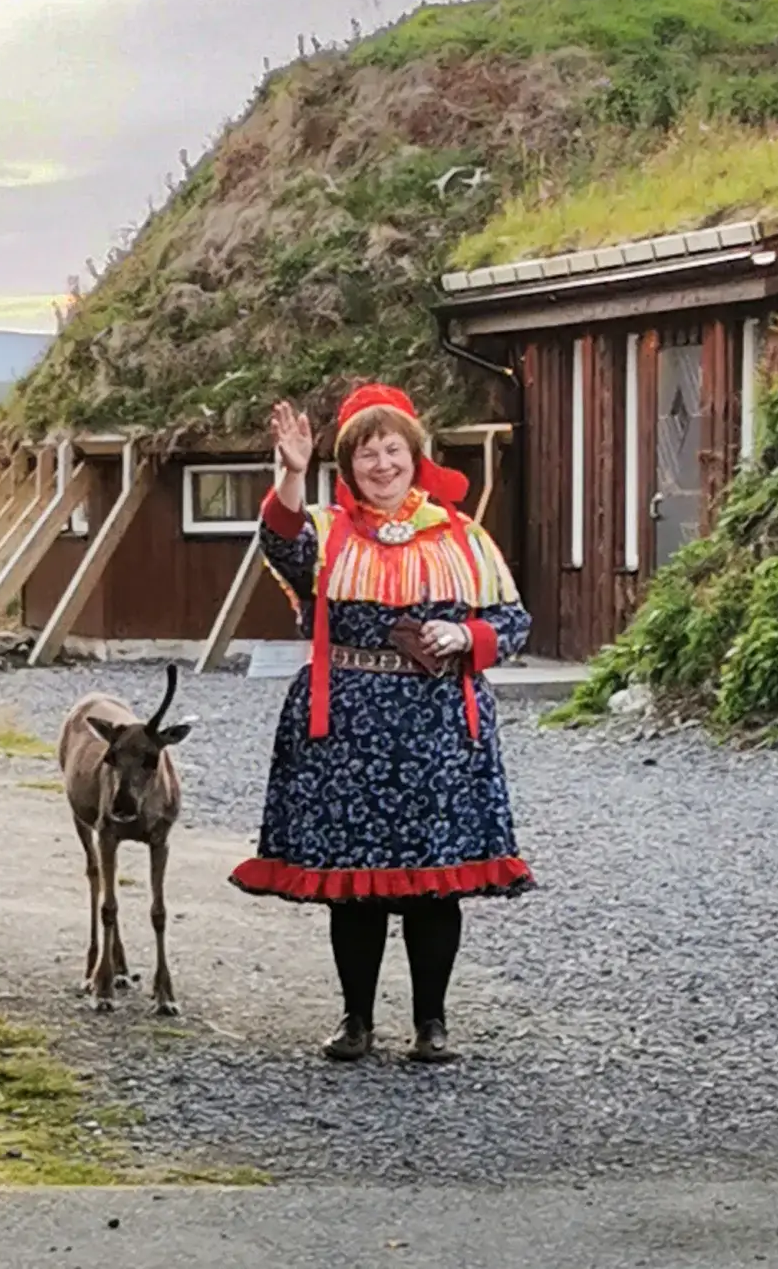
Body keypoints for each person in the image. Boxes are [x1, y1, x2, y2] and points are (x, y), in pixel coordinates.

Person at [229, 383, 535, 1064]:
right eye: (366, 451)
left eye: (393, 447)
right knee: (356, 885)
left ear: (414, 453)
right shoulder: (326, 532)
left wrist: (466, 637)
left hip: (437, 728)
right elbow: (279, 543)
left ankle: (432, 1024)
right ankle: (356, 1020)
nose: (382, 462)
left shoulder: (462, 535)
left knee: (433, 881)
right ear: (349, 462)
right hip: (347, 730)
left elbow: (513, 621)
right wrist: (291, 472)